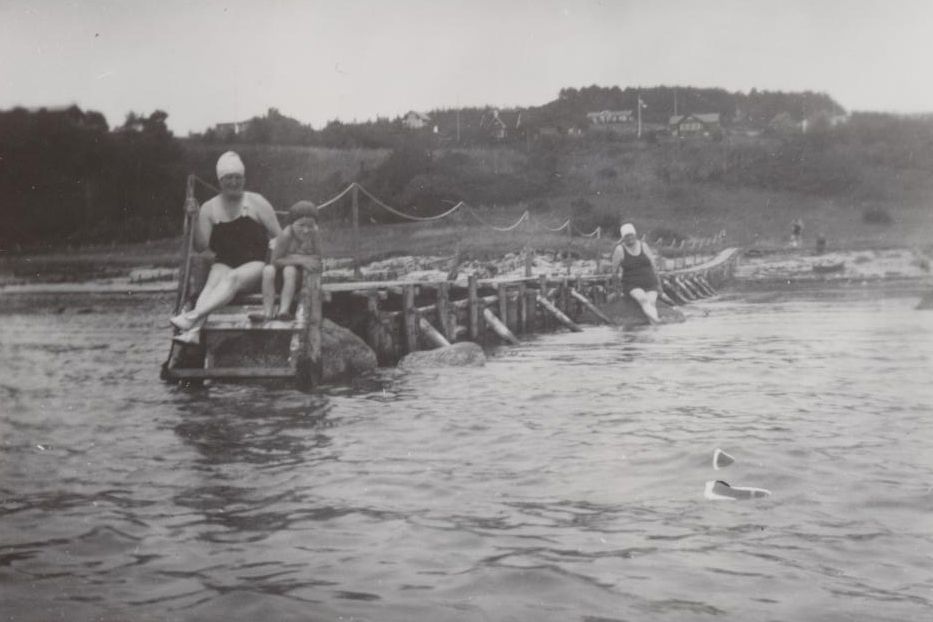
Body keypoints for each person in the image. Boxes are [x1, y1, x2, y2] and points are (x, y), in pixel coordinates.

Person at [170, 151, 282, 343]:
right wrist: (193, 218)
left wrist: (273, 262)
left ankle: (193, 317)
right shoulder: (209, 208)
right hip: (224, 263)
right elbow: (201, 246)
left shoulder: (256, 202)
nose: (234, 183)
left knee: (232, 278)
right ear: (220, 181)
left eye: (238, 178)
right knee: (210, 286)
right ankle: (194, 333)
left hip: (255, 264)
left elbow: (279, 236)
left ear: (244, 179)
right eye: (228, 178)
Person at [254, 200, 323, 321]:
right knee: (268, 270)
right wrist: (300, 259)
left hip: (298, 280)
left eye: (310, 226)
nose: (306, 230)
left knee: (289, 270)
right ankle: (267, 313)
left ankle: (283, 311)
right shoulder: (286, 235)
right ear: (292, 224)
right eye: (301, 225)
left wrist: (293, 259)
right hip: (278, 279)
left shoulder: (315, 233)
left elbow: (318, 258)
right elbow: (274, 261)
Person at [610, 223, 661, 324]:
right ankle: (657, 320)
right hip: (632, 284)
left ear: (635, 235)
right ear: (623, 238)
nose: (629, 238)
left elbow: (654, 266)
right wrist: (616, 289)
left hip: (650, 282)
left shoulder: (644, 246)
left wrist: (659, 285)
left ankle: (654, 330)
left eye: (631, 235)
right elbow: (614, 271)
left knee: (652, 302)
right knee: (643, 299)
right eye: (626, 236)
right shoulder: (620, 249)